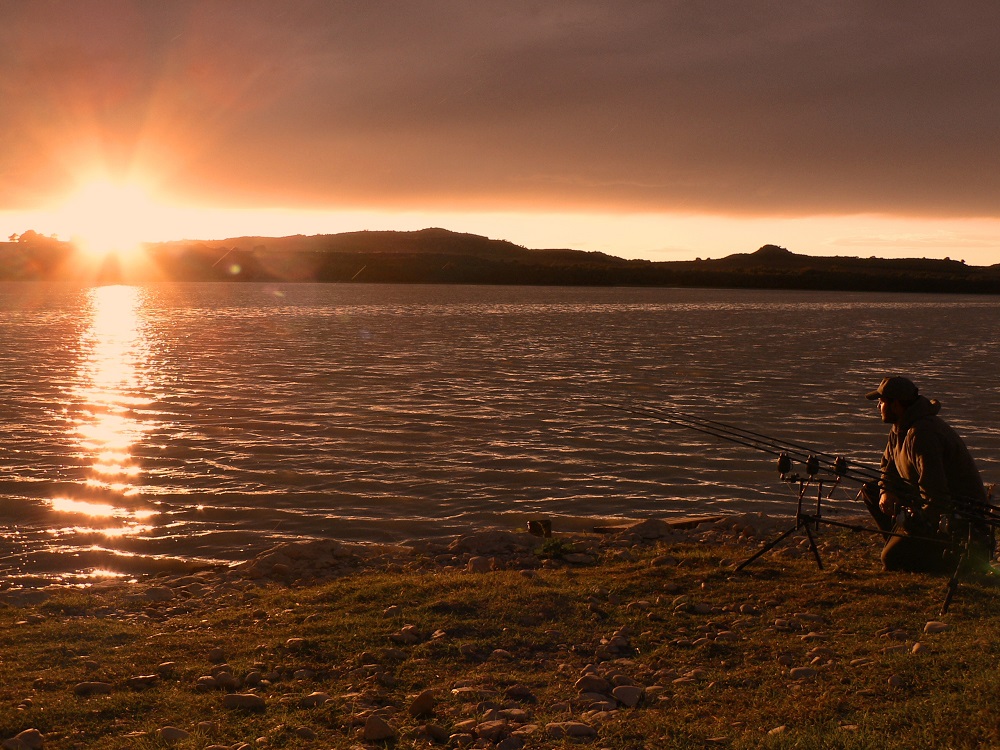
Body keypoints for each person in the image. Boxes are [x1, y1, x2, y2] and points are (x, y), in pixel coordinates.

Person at [860, 375, 994, 574]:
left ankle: (950, 554)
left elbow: (936, 494)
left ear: (895, 404)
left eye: (881, 402)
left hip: (960, 520)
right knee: (871, 490)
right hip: (926, 503)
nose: (878, 407)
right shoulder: (899, 427)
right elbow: (887, 466)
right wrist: (885, 491)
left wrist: (918, 520)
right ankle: (907, 541)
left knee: (890, 559)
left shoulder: (922, 434)